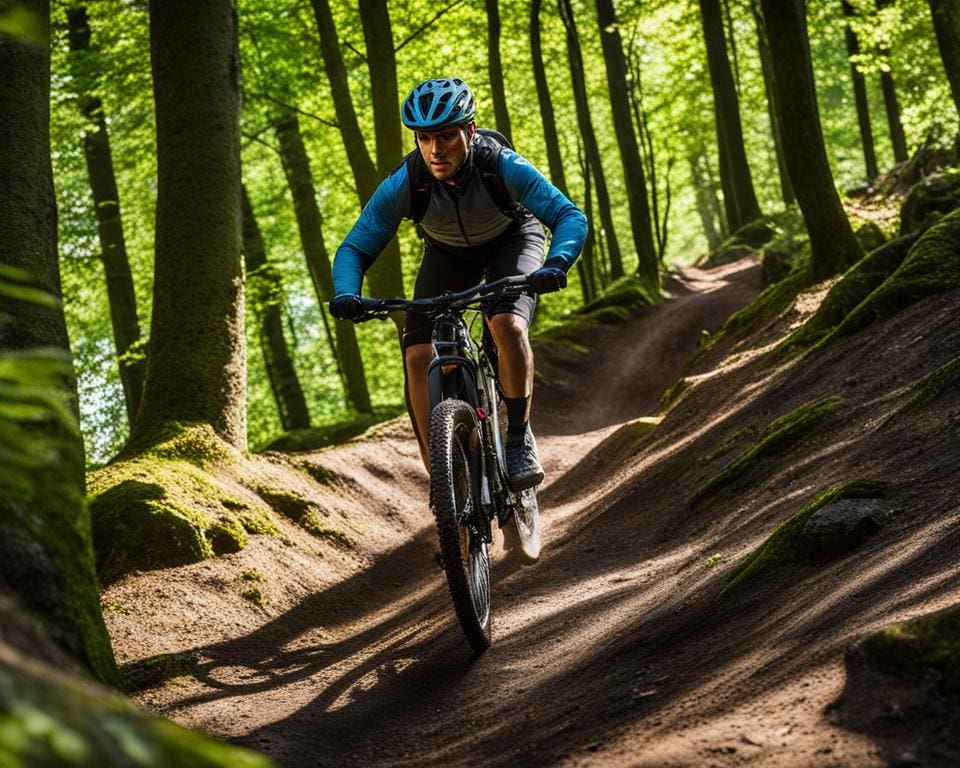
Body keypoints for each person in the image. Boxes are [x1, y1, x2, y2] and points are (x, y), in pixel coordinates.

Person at [330, 77, 587, 492]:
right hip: (448, 254)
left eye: (447, 136)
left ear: (468, 131)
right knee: (417, 353)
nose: (435, 149)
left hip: (513, 238)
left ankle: (519, 437)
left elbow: (568, 216)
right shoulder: (406, 181)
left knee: (505, 325)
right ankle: (440, 471)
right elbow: (355, 247)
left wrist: (556, 262)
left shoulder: (501, 165)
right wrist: (346, 293)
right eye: (425, 137)